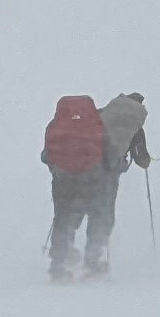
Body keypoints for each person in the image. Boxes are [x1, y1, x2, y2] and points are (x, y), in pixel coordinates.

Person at [42, 92, 122, 280]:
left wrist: (59, 169)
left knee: (62, 220)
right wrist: (115, 168)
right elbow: (111, 157)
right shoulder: (97, 126)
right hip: (94, 181)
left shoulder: (54, 127)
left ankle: (58, 265)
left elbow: (46, 156)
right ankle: (92, 263)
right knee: (96, 219)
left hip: (63, 181)